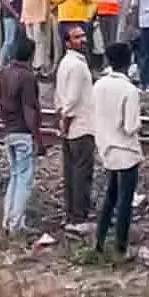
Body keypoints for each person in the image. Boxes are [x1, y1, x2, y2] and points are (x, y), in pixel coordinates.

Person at [93, 42, 142, 256]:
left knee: (110, 197)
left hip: (106, 147)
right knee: (124, 200)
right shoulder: (129, 89)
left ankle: (100, 241)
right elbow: (130, 126)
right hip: (126, 151)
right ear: (129, 61)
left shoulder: (99, 85)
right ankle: (120, 247)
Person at [0, 36, 42, 233]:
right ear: (31, 55)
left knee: (15, 176)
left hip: (8, 130)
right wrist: (37, 138)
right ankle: (16, 224)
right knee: (24, 178)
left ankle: (8, 219)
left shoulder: (4, 73)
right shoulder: (27, 77)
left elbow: (1, 102)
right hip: (23, 132)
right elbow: (29, 109)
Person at [55, 22, 97, 230]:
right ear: (67, 42)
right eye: (77, 37)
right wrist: (65, 121)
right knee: (82, 173)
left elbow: (60, 97)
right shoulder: (78, 66)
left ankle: (71, 214)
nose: (83, 40)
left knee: (71, 172)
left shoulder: (65, 63)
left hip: (71, 127)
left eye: (83, 36)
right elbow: (71, 100)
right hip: (80, 126)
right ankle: (79, 217)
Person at [18, 0, 52, 75]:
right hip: (28, 18)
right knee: (30, 42)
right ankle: (32, 64)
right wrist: (22, 19)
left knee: (40, 42)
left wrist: (44, 18)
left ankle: (40, 66)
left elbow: (45, 2)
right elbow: (25, 2)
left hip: (38, 18)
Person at [0, 0, 25, 66]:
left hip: (21, 17)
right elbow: (5, 0)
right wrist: (14, 13)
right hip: (10, 17)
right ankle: (1, 63)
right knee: (9, 41)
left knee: (17, 41)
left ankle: (12, 61)